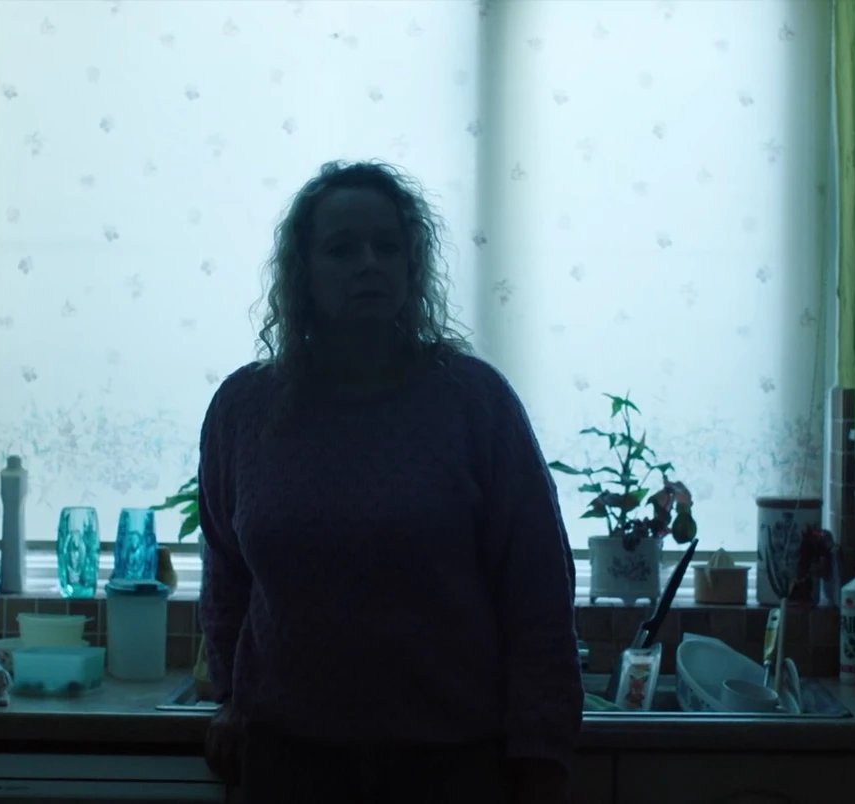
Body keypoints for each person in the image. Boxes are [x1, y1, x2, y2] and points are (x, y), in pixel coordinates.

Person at [197, 160, 582, 803]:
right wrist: (232, 697)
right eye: (342, 249)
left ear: (412, 265)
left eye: (387, 246)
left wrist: (541, 754)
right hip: (288, 760)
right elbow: (226, 576)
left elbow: (537, 586)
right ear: (303, 271)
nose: (369, 264)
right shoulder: (244, 409)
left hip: (452, 762)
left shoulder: (474, 401)